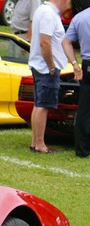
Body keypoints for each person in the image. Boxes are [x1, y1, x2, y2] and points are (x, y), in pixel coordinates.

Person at [28, 0, 71, 153]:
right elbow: (45, 42)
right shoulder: (48, 14)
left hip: (40, 65)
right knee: (43, 106)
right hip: (46, 68)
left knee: (39, 104)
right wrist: (51, 66)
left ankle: (35, 142)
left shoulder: (42, 10)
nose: (68, 5)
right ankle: (40, 144)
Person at [63, 4, 89, 157]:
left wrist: (74, 63)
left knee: (84, 108)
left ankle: (82, 149)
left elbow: (66, 42)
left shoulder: (79, 18)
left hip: (87, 63)